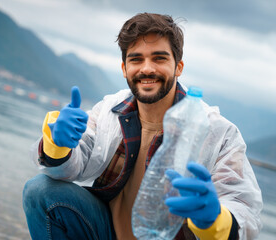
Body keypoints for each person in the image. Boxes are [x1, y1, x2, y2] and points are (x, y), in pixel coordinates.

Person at [23, 13, 262, 240]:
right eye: (136, 59)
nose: (147, 69)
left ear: (178, 67)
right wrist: (58, 144)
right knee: (39, 191)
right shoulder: (110, 109)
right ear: (124, 68)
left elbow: (245, 212)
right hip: (106, 231)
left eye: (159, 58)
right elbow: (69, 168)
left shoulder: (218, 132)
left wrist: (214, 219)